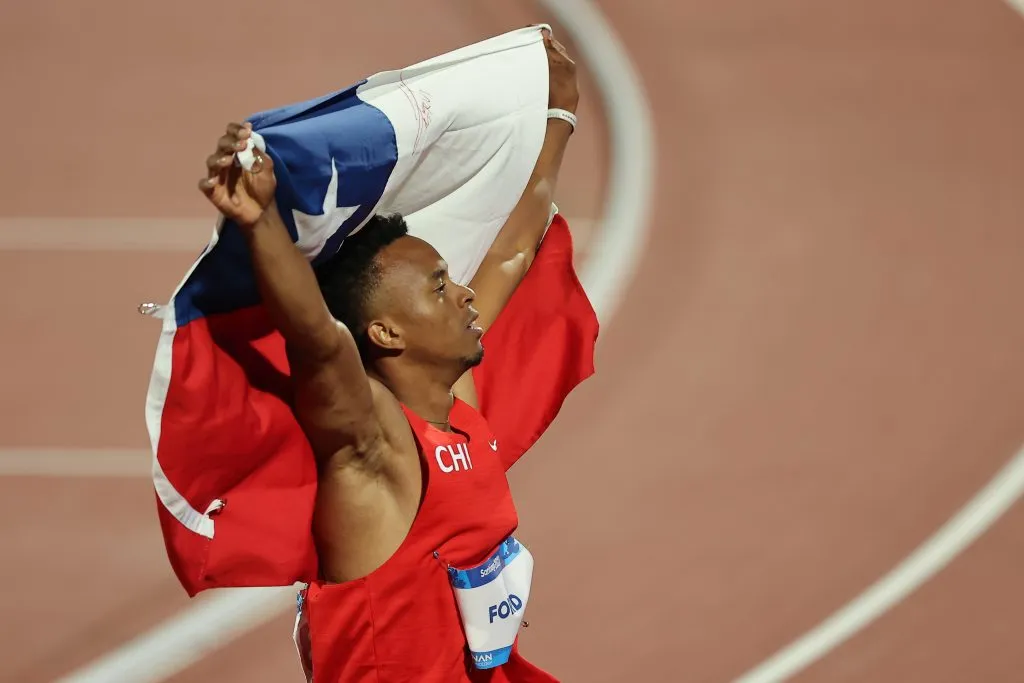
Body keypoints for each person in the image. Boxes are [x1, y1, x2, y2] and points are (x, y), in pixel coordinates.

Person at [199, 31, 579, 683]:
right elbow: (316, 339)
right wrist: (260, 223)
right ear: (383, 333)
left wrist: (558, 115)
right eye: (439, 286)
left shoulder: (459, 415)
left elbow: (514, 247)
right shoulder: (370, 451)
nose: (464, 291)